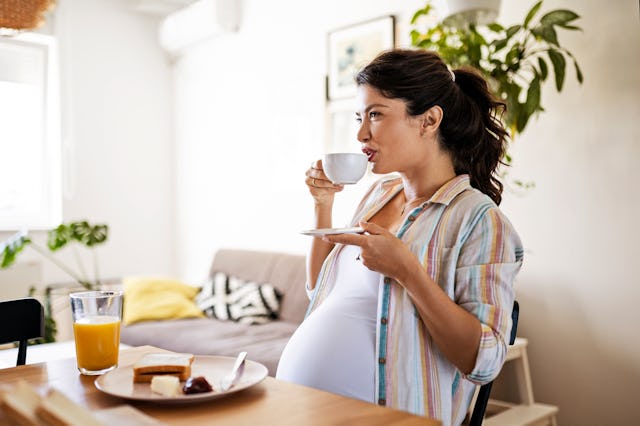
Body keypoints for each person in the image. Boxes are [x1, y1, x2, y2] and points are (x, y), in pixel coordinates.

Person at [276, 48, 523, 425]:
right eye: (360, 117)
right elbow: (321, 291)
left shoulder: (478, 220)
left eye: (375, 115)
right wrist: (322, 204)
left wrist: (407, 272)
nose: (361, 134)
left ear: (429, 120)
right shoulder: (380, 194)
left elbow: (484, 360)